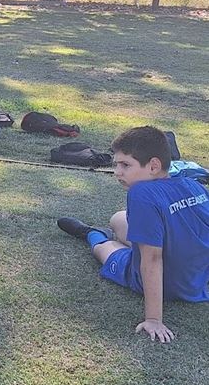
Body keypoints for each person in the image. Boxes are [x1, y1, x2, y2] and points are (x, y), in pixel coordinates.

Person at [58, 126, 209, 343]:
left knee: (105, 250)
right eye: (116, 164)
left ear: (153, 166)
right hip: (196, 278)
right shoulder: (192, 184)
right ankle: (122, 236)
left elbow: (152, 259)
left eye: (125, 165)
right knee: (118, 218)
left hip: (169, 283)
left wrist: (154, 319)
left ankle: (91, 233)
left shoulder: (141, 193)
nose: (117, 172)